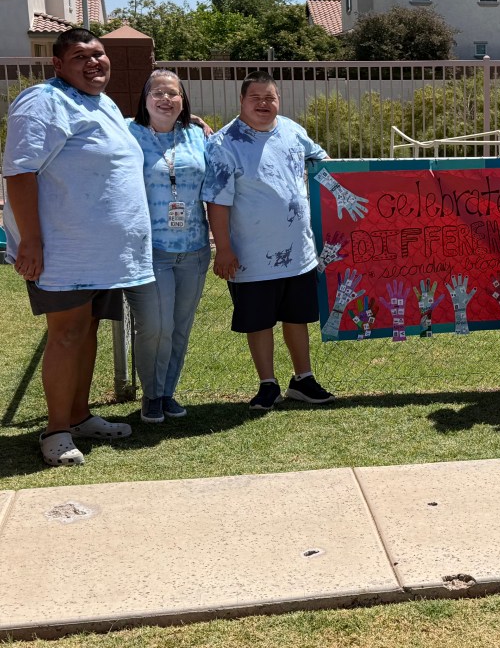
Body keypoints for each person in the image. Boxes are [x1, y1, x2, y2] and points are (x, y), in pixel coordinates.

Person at [3, 28, 152, 466]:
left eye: (99, 54)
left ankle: (80, 415)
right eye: (80, 57)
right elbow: (19, 174)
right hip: (65, 252)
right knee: (66, 334)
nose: (94, 63)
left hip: (102, 255)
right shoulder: (42, 102)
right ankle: (56, 431)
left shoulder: (102, 103)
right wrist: (30, 240)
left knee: (86, 332)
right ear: (58, 65)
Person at [202, 70, 335, 410]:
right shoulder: (224, 144)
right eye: (255, 97)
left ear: (279, 100)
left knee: (297, 317)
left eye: (269, 97)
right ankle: (267, 384)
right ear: (242, 101)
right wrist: (225, 249)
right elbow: (217, 200)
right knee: (258, 322)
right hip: (251, 255)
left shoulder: (292, 130)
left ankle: (302, 379)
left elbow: (321, 160)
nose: (263, 103)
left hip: (299, 252)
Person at [123, 70, 210, 424]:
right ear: (144, 100)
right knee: (155, 326)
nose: (165, 99)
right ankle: (151, 393)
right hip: (149, 251)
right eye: (157, 92)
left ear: (183, 100)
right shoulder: (128, 133)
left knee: (179, 325)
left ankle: (167, 392)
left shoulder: (197, 135)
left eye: (173, 93)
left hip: (194, 249)